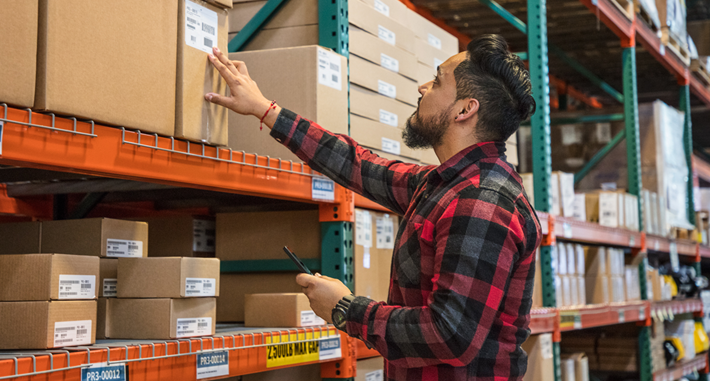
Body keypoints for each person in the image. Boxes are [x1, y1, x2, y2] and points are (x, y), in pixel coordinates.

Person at [205, 34, 542, 381]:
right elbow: (358, 165)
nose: (422, 88)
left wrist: (345, 309)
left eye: (438, 80)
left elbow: (449, 334)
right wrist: (265, 109)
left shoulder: (480, 202)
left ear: (464, 110)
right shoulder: (444, 186)